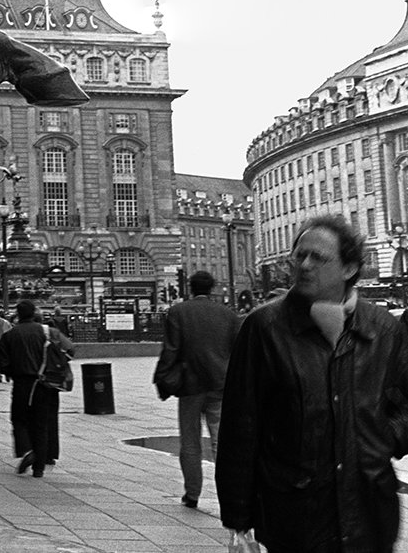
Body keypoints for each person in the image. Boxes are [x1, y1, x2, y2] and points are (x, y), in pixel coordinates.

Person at [216, 215, 408, 552]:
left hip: (369, 512)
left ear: (349, 268)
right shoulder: (265, 328)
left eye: (317, 258)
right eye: (299, 256)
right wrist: (237, 517)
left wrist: (383, 438)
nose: (304, 265)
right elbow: (241, 426)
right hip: (295, 516)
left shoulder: (383, 328)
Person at [152, 270, 239, 509]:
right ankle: (228, 494)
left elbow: (171, 349)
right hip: (220, 384)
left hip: (190, 385)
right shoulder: (229, 315)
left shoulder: (178, 312)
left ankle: (192, 494)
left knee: (190, 441)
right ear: (212, 289)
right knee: (221, 441)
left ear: (189, 288)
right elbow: (237, 351)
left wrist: (162, 376)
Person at [0, 299, 74, 477]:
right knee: (41, 423)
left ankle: (26, 450)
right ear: (34, 313)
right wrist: (57, 366)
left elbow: (4, 364)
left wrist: (12, 372)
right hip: (45, 383)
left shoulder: (10, 335)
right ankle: (39, 467)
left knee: (19, 419)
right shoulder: (48, 332)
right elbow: (70, 349)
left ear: (18, 314)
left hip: (22, 383)